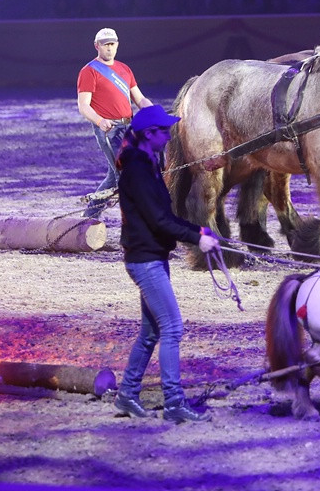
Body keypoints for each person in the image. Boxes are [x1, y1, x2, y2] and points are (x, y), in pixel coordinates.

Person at [113, 104, 220, 424]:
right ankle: (174, 402)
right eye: (164, 130)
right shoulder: (137, 171)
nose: (169, 134)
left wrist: (196, 230)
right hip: (146, 262)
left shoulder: (148, 163)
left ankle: (127, 395)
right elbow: (158, 220)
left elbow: (165, 216)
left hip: (152, 257)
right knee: (172, 327)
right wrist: (195, 239)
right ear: (149, 135)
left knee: (150, 333)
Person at [77, 27, 153, 219]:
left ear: (117, 45)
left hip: (128, 128)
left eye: (112, 44)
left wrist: (151, 110)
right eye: (105, 45)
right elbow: (83, 106)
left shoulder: (125, 69)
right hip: (108, 131)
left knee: (114, 176)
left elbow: (139, 98)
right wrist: (100, 121)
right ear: (97, 46)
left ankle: (89, 217)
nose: (109, 48)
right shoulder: (89, 72)